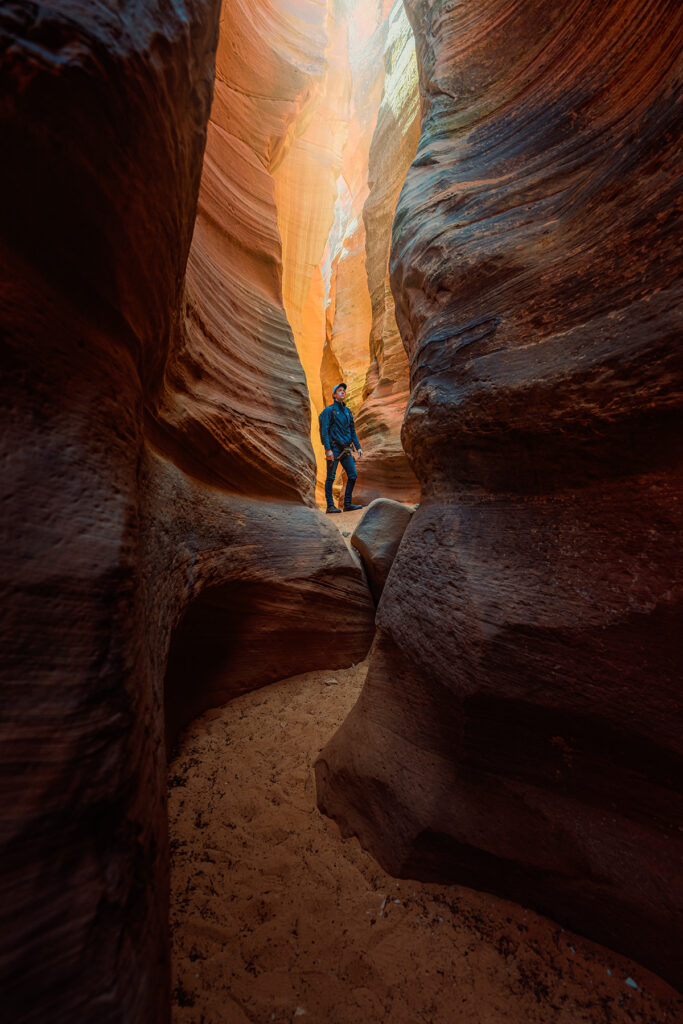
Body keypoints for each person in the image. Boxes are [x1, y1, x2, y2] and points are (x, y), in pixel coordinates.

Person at [319, 382, 363, 513]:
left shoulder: (348, 412)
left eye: (343, 390)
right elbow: (325, 430)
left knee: (353, 475)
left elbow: (352, 431)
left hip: (346, 449)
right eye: (339, 390)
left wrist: (358, 447)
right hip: (334, 449)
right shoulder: (329, 411)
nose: (342, 392)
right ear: (334, 395)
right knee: (331, 478)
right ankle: (330, 506)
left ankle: (347, 504)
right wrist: (327, 449)